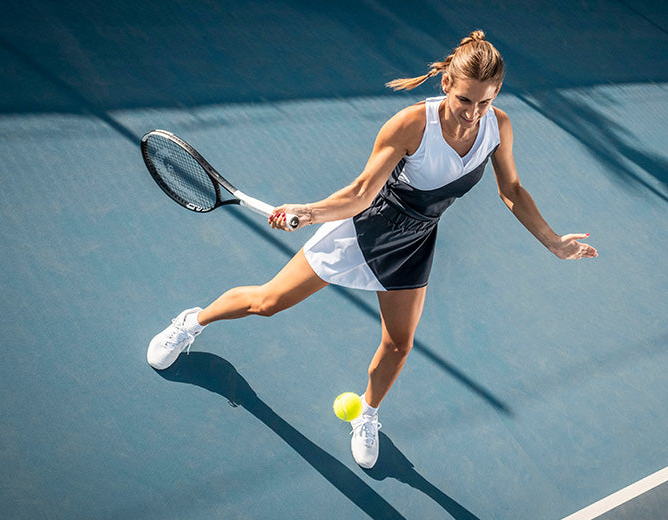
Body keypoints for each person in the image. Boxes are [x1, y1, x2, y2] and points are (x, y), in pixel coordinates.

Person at [147, 30, 597, 469]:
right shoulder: (410, 124)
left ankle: (367, 413)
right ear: (447, 85)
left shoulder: (497, 127)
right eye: (464, 100)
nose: (473, 113)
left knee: (399, 345)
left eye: (485, 101)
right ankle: (192, 322)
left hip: (415, 242)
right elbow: (362, 192)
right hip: (364, 230)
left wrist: (553, 242)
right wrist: (309, 211)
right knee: (268, 302)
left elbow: (512, 189)